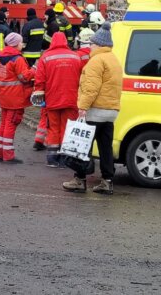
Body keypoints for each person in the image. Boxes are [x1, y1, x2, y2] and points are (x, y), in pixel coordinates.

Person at [63, 21, 123, 195]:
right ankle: (107, 181)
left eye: (92, 44)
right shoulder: (114, 59)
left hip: (95, 111)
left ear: (98, 44)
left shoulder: (96, 61)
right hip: (110, 112)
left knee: (82, 146)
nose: (90, 47)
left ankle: (79, 180)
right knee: (105, 148)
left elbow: (91, 87)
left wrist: (82, 107)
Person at [34, 32, 83, 167]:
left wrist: (39, 98)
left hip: (52, 100)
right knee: (67, 128)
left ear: (52, 42)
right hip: (71, 99)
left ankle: (52, 158)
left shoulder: (46, 57)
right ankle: (65, 158)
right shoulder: (76, 57)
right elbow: (82, 79)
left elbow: (39, 81)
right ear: (65, 41)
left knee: (53, 128)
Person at [0, 33, 34, 164]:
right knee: (10, 125)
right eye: (21, 43)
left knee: (4, 123)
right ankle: (8, 155)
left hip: (3, 95)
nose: (22, 45)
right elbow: (24, 77)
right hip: (15, 97)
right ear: (16, 44)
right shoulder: (17, 59)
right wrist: (34, 70)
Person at [21, 8, 47, 152]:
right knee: (36, 74)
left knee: (28, 74)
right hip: (37, 54)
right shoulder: (40, 24)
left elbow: (24, 41)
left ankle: (30, 92)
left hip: (28, 55)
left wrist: (21, 51)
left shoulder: (28, 25)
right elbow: (43, 40)